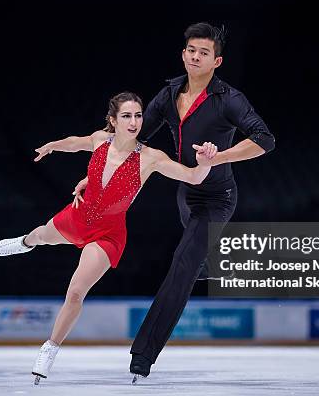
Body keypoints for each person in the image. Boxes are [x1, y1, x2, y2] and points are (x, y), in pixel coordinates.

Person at [72, 22, 276, 382]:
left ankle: (142, 356)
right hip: (186, 194)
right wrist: (97, 171)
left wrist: (219, 157)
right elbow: (130, 138)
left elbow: (265, 139)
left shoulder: (229, 99)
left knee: (182, 266)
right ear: (183, 54)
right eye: (192, 51)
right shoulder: (168, 96)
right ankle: (207, 264)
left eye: (205, 53)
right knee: (195, 260)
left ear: (217, 61)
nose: (197, 57)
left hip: (217, 197)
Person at [0, 91, 219, 385]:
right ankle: (24, 243)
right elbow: (76, 142)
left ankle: (50, 348)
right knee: (39, 235)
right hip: (77, 217)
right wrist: (53, 146)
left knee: (75, 292)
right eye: (126, 116)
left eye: (138, 115)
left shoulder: (150, 158)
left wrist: (205, 161)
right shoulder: (100, 140)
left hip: (107, 234)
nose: (134, 121)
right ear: (113, 120)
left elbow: (194, 178)